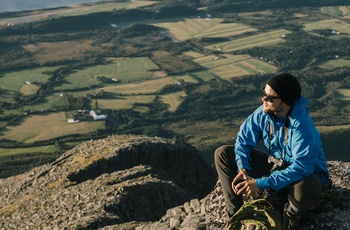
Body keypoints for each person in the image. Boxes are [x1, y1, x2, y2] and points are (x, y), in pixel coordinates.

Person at [214, 73, 329, 230]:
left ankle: (289, 220)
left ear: (286, 101)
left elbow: (302, 168)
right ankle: (236, 217)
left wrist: (261, 183)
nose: (264, 99)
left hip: (301, 178)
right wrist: (243, 167)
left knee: (306, 186)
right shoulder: (264, 113)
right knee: (223, 154)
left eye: (270, 97)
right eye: (264, 93)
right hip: (276, 167)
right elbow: (242, 141)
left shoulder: (302, 127)